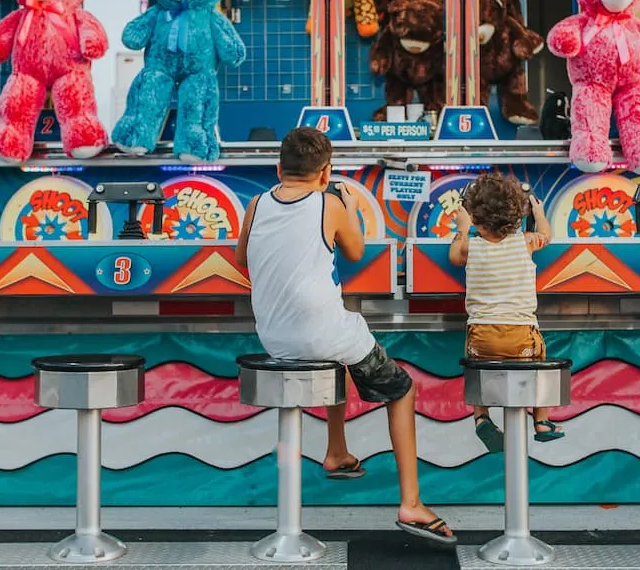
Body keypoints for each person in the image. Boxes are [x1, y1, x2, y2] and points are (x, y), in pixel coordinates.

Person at [235, 127, 455, 546]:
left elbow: (241, 257)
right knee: (401, 389)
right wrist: (346, 206)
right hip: (322, 334)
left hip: (274, 340)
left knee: (337, 350)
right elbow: (354, 251)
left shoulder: (256, 204)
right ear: (325, 174)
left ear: (279, 169)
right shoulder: (329, 204)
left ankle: (337, 451)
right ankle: (411, 502)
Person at [448, 172, 564, 452]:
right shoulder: (525, 243)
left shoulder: (471, 247)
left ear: (474, 216)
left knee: (477, 369)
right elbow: (547, 235)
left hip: (482, 336)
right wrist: (540, 212)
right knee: (538, 368)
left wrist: (462, 228)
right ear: (517, 217)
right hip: (521, 336)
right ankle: (541, 419)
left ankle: (481, 417)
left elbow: (454, 256)